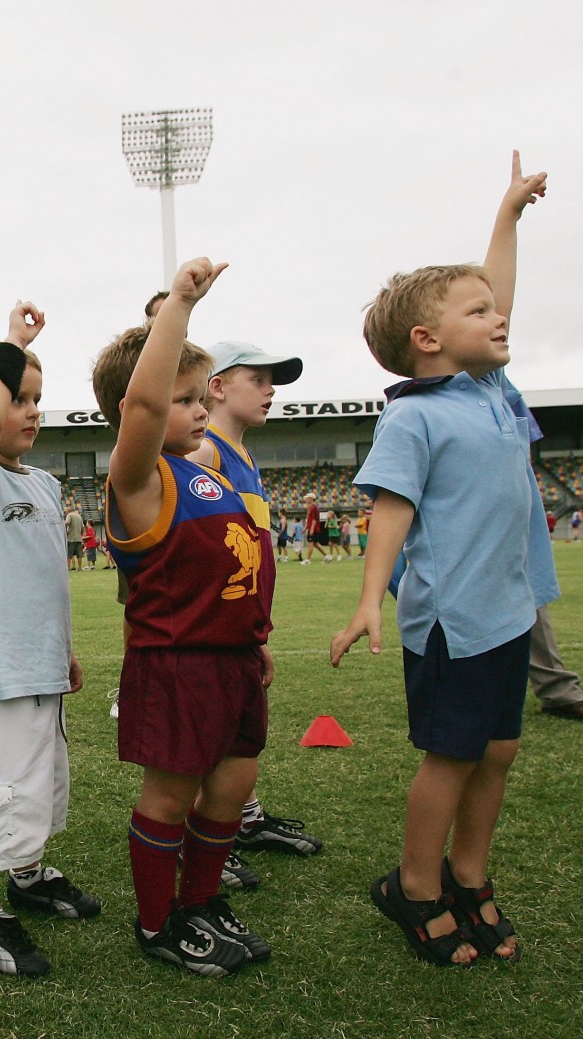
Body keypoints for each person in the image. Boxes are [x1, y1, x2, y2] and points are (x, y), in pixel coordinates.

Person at [331, 152, 552, 965]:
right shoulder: (415, 419)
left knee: (498, 750)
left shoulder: (490, 389)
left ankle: (469, 873)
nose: (499, 319)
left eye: (495, 311)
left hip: (507, 607)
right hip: (453, 621)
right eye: (477, 313)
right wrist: (368, 597)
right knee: (452, 755)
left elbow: (498, 289)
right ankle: (415, 886)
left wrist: (508, 213)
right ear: (428, 340)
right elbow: (391, 509)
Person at [94, 257, 270, 978]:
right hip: (178, 660)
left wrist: (254, 643)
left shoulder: (207, 471)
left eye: (203, 397)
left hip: (233, 659)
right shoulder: (138, 476)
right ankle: (158, 921)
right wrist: (180, 307)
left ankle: (199, 902)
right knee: (171, 793)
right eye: (185, 397)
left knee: (230, 784)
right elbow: (140, 409)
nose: (201, 409)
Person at [0, 311, 97, 978]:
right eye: (18, 397)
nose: (32, 410)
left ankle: (28, 874)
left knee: (39, 786)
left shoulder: (44, 481)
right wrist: (16, 345)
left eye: (37, 396)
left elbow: (42, 578)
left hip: (42, 667)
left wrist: (63, 647)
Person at [187, 343, 325, 861]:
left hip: (241, 629)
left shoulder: (242, 453)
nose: (271, 391)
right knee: (209, 739)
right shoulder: (210, 450)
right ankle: (196, 842)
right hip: (211, 633)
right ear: (217, 386)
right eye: (258, 379)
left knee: (236, 736)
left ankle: (242, 819)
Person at [303, 493, 332, 562]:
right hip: (312, 528)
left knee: (310, 543)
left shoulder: (314, 507)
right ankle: (327, 556)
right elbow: (309, 519)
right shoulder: (311, 507)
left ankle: (307, 559)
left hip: (313, 528)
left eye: (307, 498)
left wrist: (311, 529)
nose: (306, 500)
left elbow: (314, 519)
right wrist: (305, 527)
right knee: (316, 543)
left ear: (311, 499)